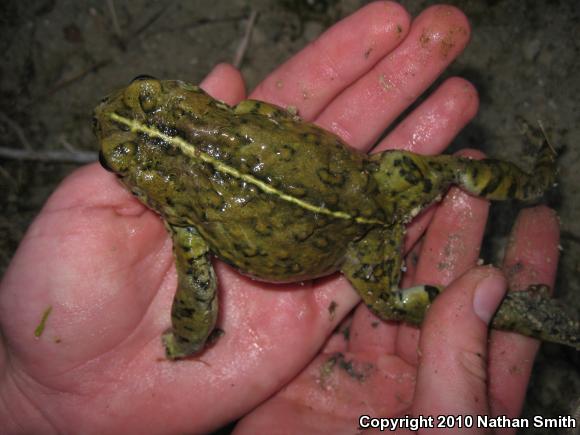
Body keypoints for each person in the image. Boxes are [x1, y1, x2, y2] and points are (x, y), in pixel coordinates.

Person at [0, 2, 561, 433]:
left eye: (143, 93)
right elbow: (271, 117)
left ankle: (508, 296)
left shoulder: (187, 227)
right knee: (456, 174)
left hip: (356, 224)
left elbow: (198, 303)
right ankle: (530, 189)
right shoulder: (237, 116)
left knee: (396, 303)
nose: (106, 108)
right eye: (114, 158)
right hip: (376, 185)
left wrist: (185, 342)